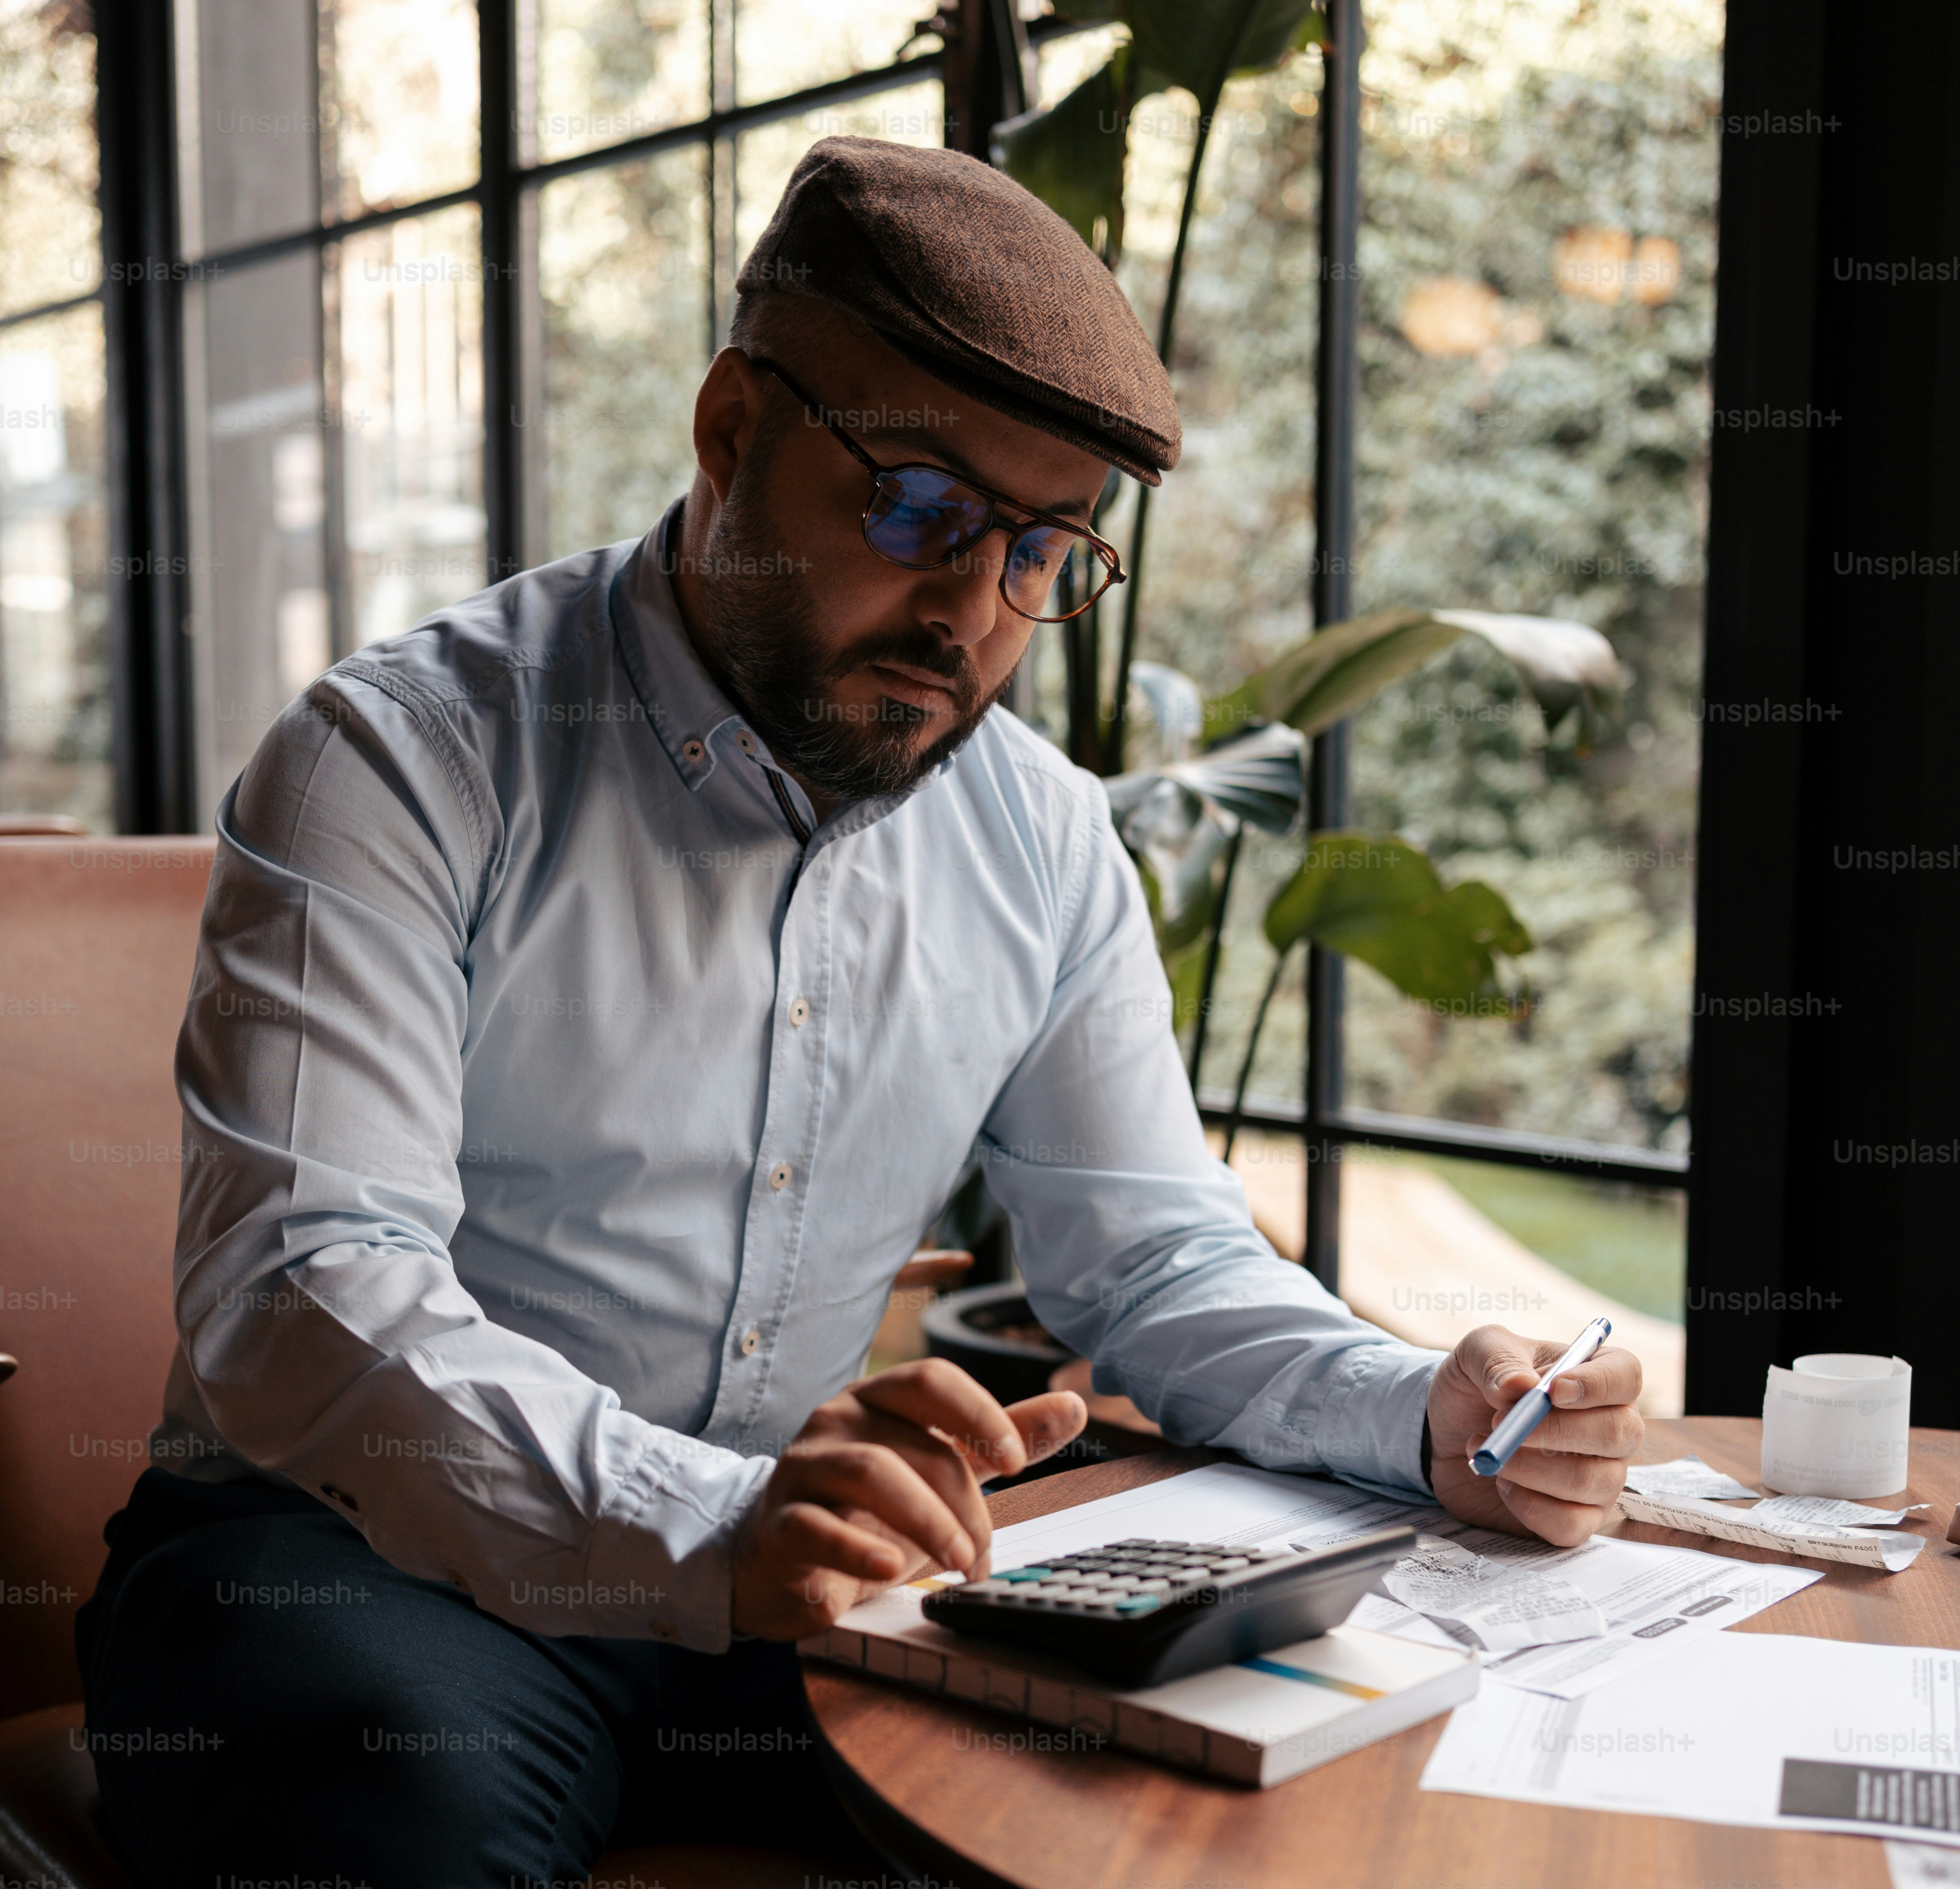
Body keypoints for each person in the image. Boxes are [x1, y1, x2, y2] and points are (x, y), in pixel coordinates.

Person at [78, 137, 1642, 1889]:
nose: (973, 610)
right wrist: (709, 1523)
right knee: (396, 1820)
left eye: (1046, 553)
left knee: (1187, 1822)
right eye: (918, 511)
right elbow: (305, 1289)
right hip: (344, 1553)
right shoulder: (401, 760)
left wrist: (1422, 1409)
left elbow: (1152, 1262)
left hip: (798, 1572)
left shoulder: (1041, 834)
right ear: (732, 432)